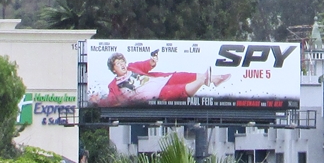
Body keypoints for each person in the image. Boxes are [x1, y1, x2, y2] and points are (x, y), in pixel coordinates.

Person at [96, 50, 231, 106]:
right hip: (153, 94)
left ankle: (214, 78)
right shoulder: (113, 86)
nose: (122, 65)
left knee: (185, 76)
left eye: (122, 62)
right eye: (118, 64)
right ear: (114, 69)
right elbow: (111, 101)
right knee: (179, 90)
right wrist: (97, 102)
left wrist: (152, 61)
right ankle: (203, 81)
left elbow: (146, 65)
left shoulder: (132, 67)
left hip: (160, 80)